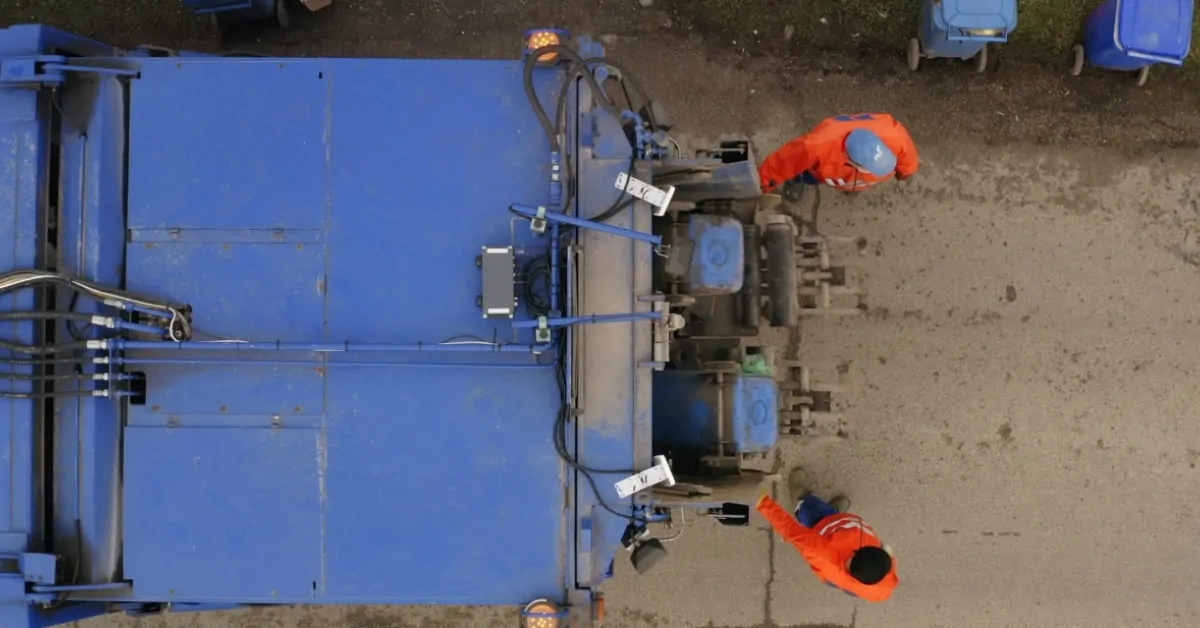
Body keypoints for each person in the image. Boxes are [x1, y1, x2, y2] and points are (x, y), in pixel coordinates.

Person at [756, 469, 899, 602]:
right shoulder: (882, 589)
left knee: (811, 512)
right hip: (836, 579)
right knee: (840, 582)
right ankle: (833, 514)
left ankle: (803, 500)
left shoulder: (822, 553)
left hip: (824, 528)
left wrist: (763, 502)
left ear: (856, 553)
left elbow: (790, 530)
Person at [759, 113, 919, 198]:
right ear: (850, 160)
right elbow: (783, 163)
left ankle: (851, 187)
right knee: (809, 176)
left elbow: (908, 163)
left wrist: (905, 172)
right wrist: (763, 185)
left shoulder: (897, 139)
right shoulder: (816, 147)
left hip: (851, 177)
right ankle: (800, 180)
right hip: (822, 171)